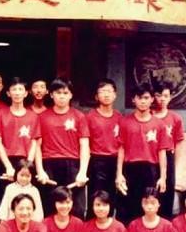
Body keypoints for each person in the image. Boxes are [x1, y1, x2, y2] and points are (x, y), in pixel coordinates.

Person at [35, 78, 90, 218]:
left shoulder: (79, 117)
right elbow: (37, 146)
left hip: (73, 164)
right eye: (58, 93)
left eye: (65, 93)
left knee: (76, 208)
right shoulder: (42, 117)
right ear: (51, 94)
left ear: (71, 95)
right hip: (49, 164)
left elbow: (84, 146)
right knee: (50, 207)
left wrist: (82, 171)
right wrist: (40, 170)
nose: (62, 96)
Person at [116, 83, 168, 224]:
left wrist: (163, 177)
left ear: (152, 99)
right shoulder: (124, 122)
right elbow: (121, 149)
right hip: (129, 169)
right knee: (127, 207)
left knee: (148, 206)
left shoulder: (159, 124)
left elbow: (162, 151)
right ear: (133, 99)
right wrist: (119, 174)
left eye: (146, 98)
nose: (143, 101)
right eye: (139, 98)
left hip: (150, 170)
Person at [0, 77, 40, 184]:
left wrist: (28, 165)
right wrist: (8, 166)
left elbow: (34, 142)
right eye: (14, 89)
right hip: (5, 160)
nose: (17, 93)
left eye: (20, 89)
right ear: (8, 93)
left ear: (26, 93)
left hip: (25, 161)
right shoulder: (0, 114)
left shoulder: (33, 116)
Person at [86, 79, 123, 209]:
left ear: (115, 95)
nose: (106, 95)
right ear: (96, 96)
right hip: (96, 161)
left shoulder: (119, 117)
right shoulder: (90, 117)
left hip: (114, 160)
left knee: (112, 198)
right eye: (102, 91)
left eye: (109, 91)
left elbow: (122, 144)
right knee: (96, 196)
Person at [152, 82, 185, 218]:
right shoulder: (148, 115)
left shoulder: (175, 118)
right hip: (151, 156)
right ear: (153, 97)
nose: (162, 99)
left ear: (170, 97)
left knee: (167, 191)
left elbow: (179, 143)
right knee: (151, 191)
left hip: (168, 156)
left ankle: (165, 222)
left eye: (165, 96)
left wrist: (175, 165)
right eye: (159, 95)